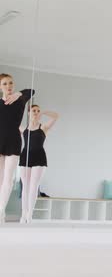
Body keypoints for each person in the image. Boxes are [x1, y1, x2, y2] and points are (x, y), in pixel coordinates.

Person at [0, 73, 34, 223]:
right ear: (0, 86)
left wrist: (19, 93)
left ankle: (1, 210)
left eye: (11, 83)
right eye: (5, 84)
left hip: (13, 142)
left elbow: (31, 91)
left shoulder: (20, 99)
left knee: (9, 180)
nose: (9, 86)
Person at [19, 105, 59, 223]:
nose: (36, 112)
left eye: (37, 111)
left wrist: (44, 112)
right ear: (28, 113)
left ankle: (30, 214)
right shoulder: (23, 129)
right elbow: (10, 124)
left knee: (33, 186)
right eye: (33, 111)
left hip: (39, 158)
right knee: (25, 186)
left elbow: (56, 116)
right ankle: (24, 213)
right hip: (25, 157)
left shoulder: (44, 127)